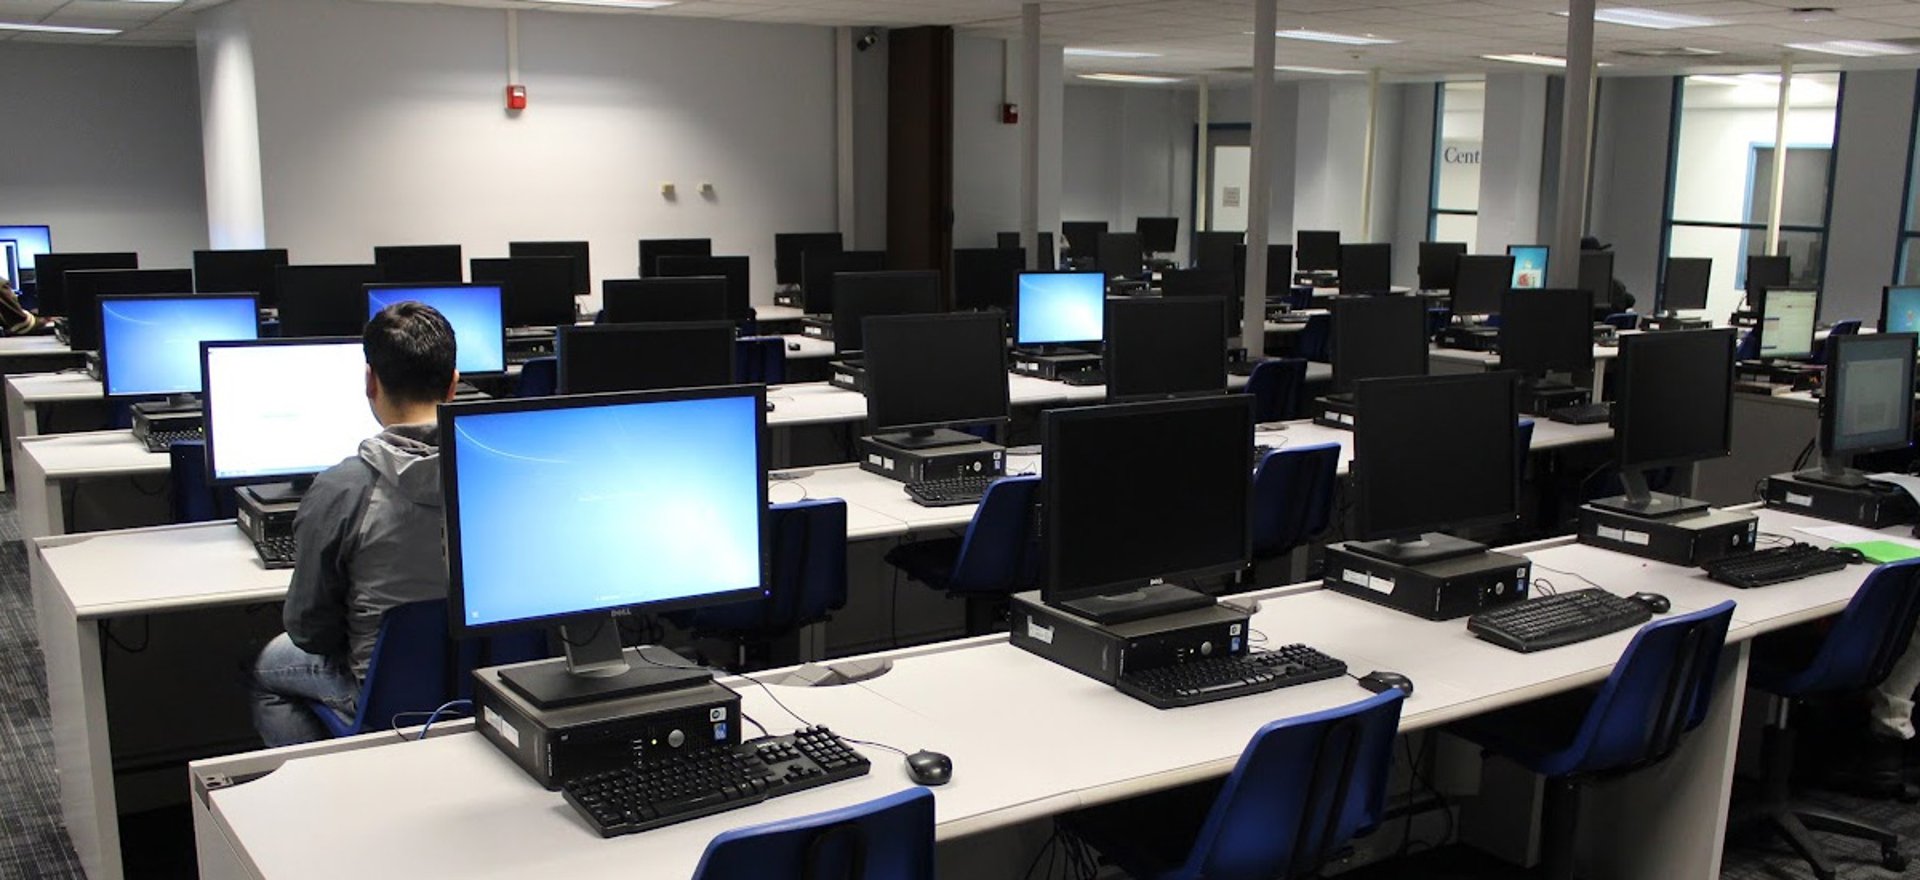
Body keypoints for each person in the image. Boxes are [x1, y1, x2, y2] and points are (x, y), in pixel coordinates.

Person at [250, 301, 459, 746]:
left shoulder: (341, 488)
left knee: (266, 670)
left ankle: (330, 782)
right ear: (454, 384)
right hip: (481, 686)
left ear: (370, 381)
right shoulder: (496, 474)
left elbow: (310, 631)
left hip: (381, 696)